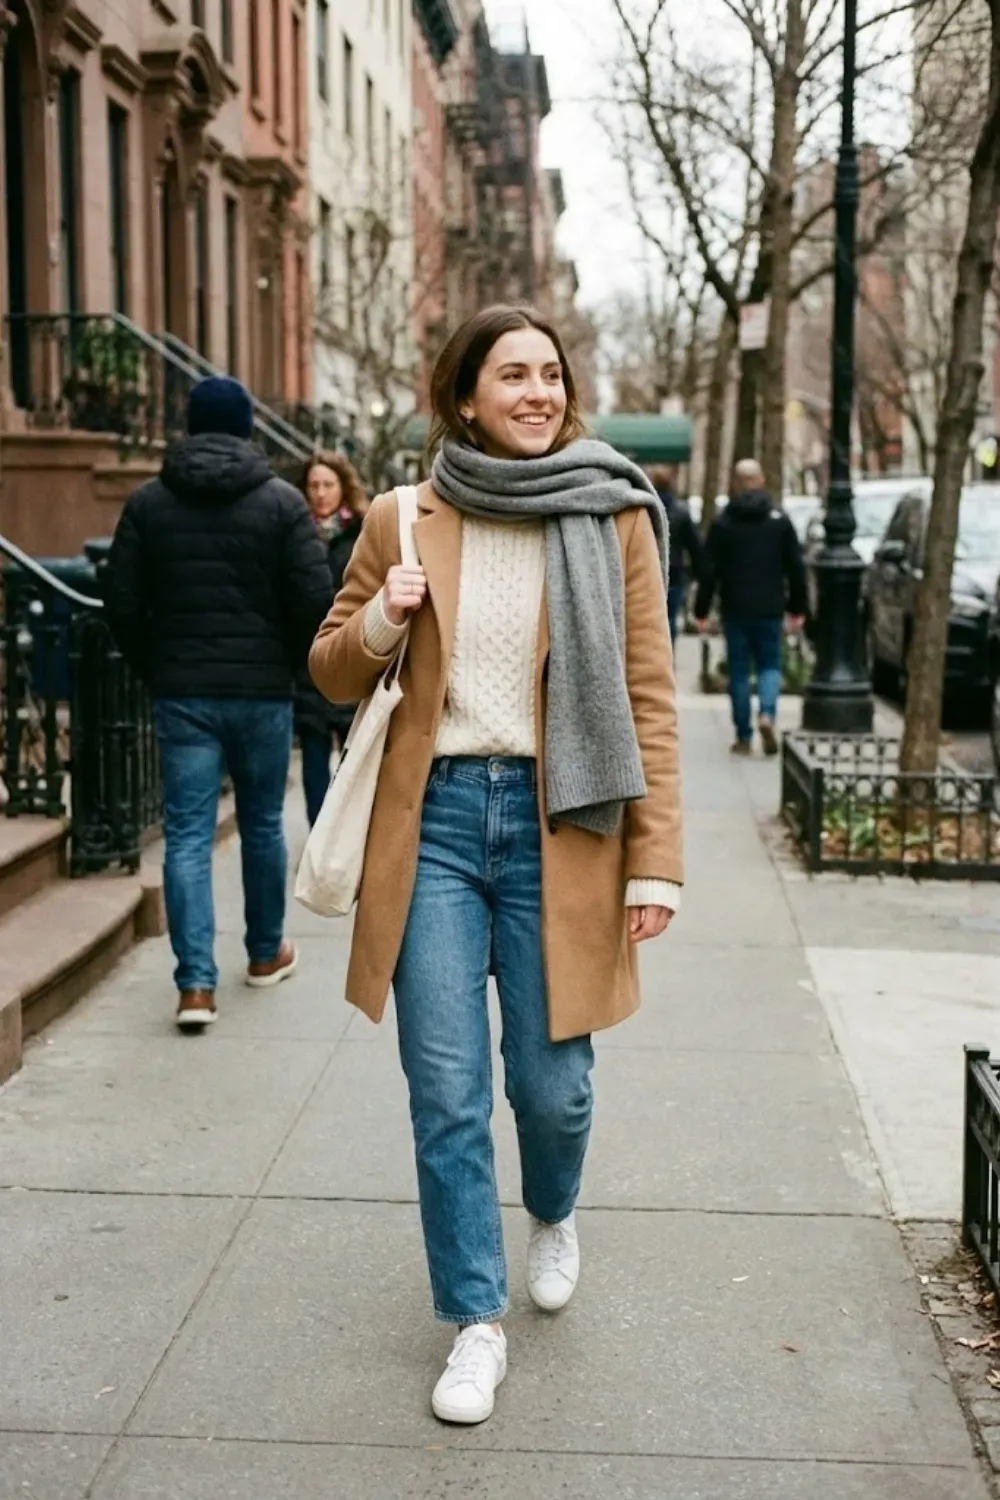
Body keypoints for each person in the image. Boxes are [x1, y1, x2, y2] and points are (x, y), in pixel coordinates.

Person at [309, 305, 684, 1426]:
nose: (536, 393)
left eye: (550, 375)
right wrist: (381, 617)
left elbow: (650, 699)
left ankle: (554, 1208)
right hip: (431, 829)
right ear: (463, 395)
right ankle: (474, 1320)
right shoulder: (400, 519)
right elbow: (329, 671)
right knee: (449, 1091)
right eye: (510, 375)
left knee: (551, 1088)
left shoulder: (612, 516)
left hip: (561, 826)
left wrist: (655, 862)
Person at [105, 375, 333, 1030]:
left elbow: (121, 600)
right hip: (262, 691)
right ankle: (265, 954)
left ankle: (196, 986)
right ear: (245, 428)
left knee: (187, 835)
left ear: (189, 426)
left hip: (184, 693)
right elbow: (315, 601)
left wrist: (158, 664)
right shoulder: (284, 504)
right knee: (262, 823)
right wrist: (286, 662)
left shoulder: (149, 503)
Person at [693, 458, 807, 757]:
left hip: (735, 608)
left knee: (740, 672)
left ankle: (743, 737)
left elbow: (709, 570)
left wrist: (701, 610)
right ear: (761, 481)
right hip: (770, 607)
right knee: (770, 665)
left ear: (735, 482)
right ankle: (767, 714)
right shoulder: (778, 520)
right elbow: (796, 567)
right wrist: (798, 607)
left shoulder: (724, 522)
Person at [294, 451, 370, 826]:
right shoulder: (296, 533)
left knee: (353, 769)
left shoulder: (362, 533)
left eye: (328, 484)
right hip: (308, 668)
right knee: (313, 770)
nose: (320, 493)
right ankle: (318, 849)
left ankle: (349, 846)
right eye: (313, 486)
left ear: (343, 487)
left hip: (350, 665)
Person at [650, 464, 703, 641]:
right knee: (669, 619)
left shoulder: (645, 508)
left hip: (648, 570)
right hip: (674, 572)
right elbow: (694, 545)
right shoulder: (681, 512)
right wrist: (696, 572)